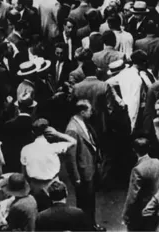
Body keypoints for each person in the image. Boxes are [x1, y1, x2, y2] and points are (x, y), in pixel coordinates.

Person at [65, 99, 104, 231]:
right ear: (82, 112)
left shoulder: (83, 123)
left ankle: (91, 224)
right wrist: (76, 177)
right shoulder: (72, 129)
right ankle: (85, 227)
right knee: (84, 202)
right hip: (83, 171)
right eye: (89, 110)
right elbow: (70, 157)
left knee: (90, 200)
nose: (92, 112)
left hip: (89, 168)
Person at [20, 119, 76, 196]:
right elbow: (73, 141)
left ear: (32, 132)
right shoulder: (55, 147)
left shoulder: (25, 149)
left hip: (34, 186)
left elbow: (24, 170)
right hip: (54, 185)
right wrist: (57, 133)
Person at [123, 137, 159, 231]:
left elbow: (132, 195)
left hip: (140, 211)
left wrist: (126, 214)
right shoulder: (158, 163)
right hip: (155, 207)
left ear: (134, 150)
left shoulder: (137, 169)